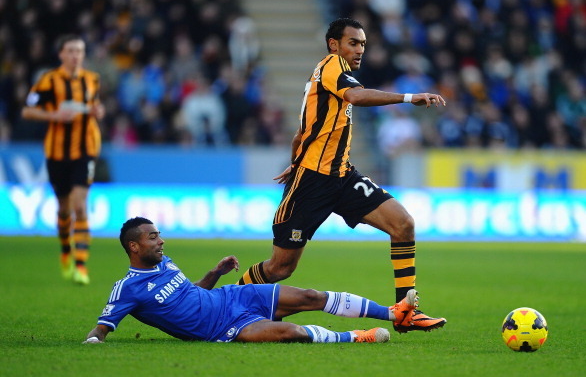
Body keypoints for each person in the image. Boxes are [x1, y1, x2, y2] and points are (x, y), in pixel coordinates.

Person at [236, 18, 447, 333]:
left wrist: (295, 158)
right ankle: (231, 303)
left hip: (343, 176)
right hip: (312, 182)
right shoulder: (331, 66)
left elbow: (301, 132)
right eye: (353, 42)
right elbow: (357, 98)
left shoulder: (333, 78)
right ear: (334, 45)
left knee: (403, 224)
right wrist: (408, 97)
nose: (359, 49)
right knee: (280, 268)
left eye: (363, 43)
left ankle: (406, 311)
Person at [84, 217, 423, 344]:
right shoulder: (127, 289)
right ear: (133, 246)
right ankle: (355, 337)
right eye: (152, 237)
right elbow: (104, 325)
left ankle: (394, 313)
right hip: (225, 330)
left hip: (236, 298)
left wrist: (215, 274)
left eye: (159, 236)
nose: (161, 241)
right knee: (291, 334)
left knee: (309, 295)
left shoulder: (166, 264)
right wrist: (94, 340)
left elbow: (191, 294)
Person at [22, 34, 105, 285]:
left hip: (86, 150)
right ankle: (65, 251)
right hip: (57, 154)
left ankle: (81, 264)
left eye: (79, 51)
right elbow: (27, 110)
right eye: (70, 50)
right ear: (61, 54)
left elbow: (96, 106)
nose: (75, 55)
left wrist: (98, 111)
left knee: (80, 205)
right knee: (63, 209)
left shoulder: (92, 80)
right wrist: (55, 115)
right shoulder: (49, 81)